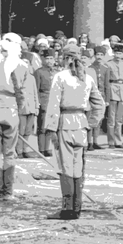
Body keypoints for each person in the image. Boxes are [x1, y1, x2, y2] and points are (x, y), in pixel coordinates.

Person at [43, 44, 106, 220]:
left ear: (65, 58)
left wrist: (51, 128)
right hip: (81, 124)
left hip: (64, 123)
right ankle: (77, 207)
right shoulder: (88, 77)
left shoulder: (60, 77)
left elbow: (54, 104)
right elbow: (99, 104)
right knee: (78, 167)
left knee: (65, 168)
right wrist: (91, 122)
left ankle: (67, 209)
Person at [0, 34, 28, 200]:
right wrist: (19, 109)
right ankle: (8, 192)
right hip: (12, 109)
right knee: (9, 153)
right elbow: (23, 92)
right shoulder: (23, 64)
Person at [105, 49, 123, 149]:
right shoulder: (109, 64)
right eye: (116, 53)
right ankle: (111, 141)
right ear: (113, 53)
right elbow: (107, 80)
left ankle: (118, 141)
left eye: (120, 53)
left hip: (122, 89)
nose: (118, 55)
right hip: (113, 87)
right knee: (111, 118)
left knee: (119, 119)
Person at [34, 52, 57, 157]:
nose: (49, 61)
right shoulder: (39, 72)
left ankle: (47, 148)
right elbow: (37, 89)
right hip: (44, 100)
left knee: (50, 127)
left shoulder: (56, 72)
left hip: (54, 101)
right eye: (47, 58)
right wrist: (38, 102)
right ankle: (41, 149)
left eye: (51, 58)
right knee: (42, 127)